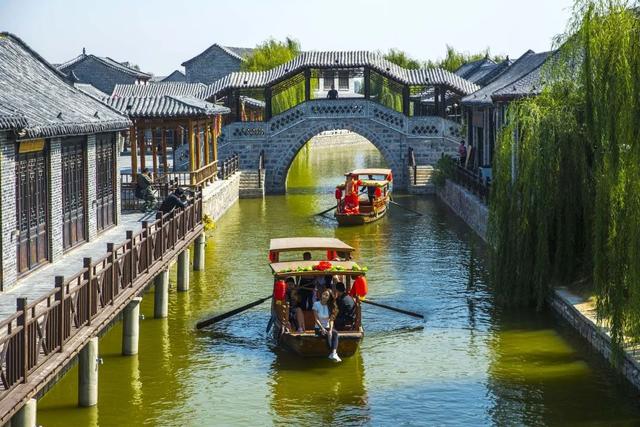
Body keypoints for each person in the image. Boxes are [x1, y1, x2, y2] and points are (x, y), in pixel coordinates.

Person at [313, 289, 341, 362]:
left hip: (327, 327)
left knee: (334, 333)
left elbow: (331, 320)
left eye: (327, 295)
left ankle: (334, 353)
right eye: (324, 294)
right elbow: (316, 319)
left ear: (329, 297)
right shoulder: (316, 304)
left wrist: (331, 330)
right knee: (326, 334)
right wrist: (322, 328)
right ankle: (332, 353)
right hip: (318, 328)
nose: (324, 296)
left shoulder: (330, 306)